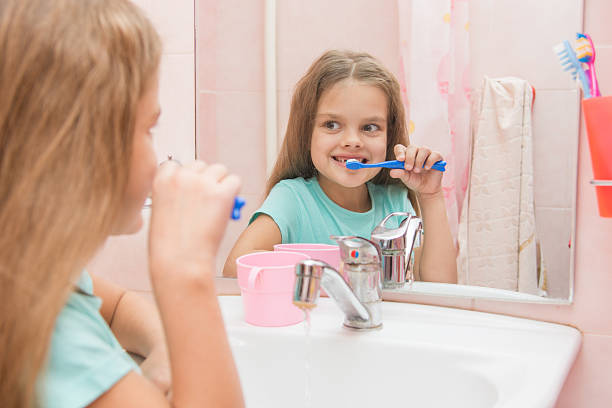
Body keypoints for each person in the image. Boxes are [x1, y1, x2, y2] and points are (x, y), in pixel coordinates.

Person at [0, 0, 244, 407]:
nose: (158, 156)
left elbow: (114, 308)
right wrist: (185, 274)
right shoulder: (49, 340)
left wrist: (165, 349)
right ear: (85, 148)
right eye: (149, 128)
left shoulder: (29, 275)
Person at [224, 50, 457, 284]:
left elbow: (442, 288)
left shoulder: (394, 204)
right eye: (332, 124)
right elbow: (235, 269)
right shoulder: (292, 199)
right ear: (307, 132)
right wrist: (335, 271)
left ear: (389, 135)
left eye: (370, 127)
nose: (352, 141)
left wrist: (431, 196)